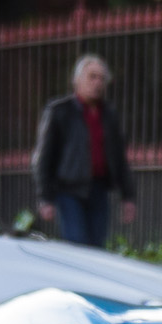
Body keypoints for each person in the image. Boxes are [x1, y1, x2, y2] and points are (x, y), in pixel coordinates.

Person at [31, 54, 137, 247]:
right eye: (92, 77)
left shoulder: (109, 114)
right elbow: (43, 157)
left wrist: (128, 196)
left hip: (99, 190)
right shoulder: (60, 111)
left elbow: (119, 158)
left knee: (97, 247)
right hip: (69, 190)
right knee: (77, 244)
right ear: (77, 80)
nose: (97, 83)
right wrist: (45, 197)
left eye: (101, 78)